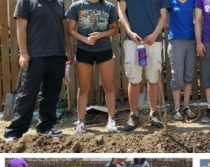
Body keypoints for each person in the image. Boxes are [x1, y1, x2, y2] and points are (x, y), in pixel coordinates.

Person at [3, 0, 73, 143]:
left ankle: (46, 127)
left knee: (51, 95)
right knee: (26, 95)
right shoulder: (26, 2)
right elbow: (20, 28)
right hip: (35, 56)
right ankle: (14, 131)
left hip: (57, 55)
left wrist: (69, 50)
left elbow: (64, 30)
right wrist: (23, 54)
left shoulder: (58, 3)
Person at [66, 0, 119, 134]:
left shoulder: (109, 7)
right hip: (84, 50)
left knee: (109, 86)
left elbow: (115, 29)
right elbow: (70, 30)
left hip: (104, 49)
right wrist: (85, 40)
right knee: (83, 87)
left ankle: (111, 119)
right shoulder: (76, 6)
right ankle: (81, 121)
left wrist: (101, 35)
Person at [117, 0, 168, 131]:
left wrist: (155, 34)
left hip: (154, 41)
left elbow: (163, 15)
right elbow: (121, 12)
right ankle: (133, 115)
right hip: (132, 41)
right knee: (133, 80)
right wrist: (129, 32)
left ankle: (154, 114)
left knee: (153, 80)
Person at [168, 0, 197, 121]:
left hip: (191, 41)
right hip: (176, 41)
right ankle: (176, 109)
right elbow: (162, 17)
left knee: (189, 75)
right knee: (177, 76)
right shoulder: (170, 2)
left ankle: (186, 107)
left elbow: (198, 18)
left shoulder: (193, 1)